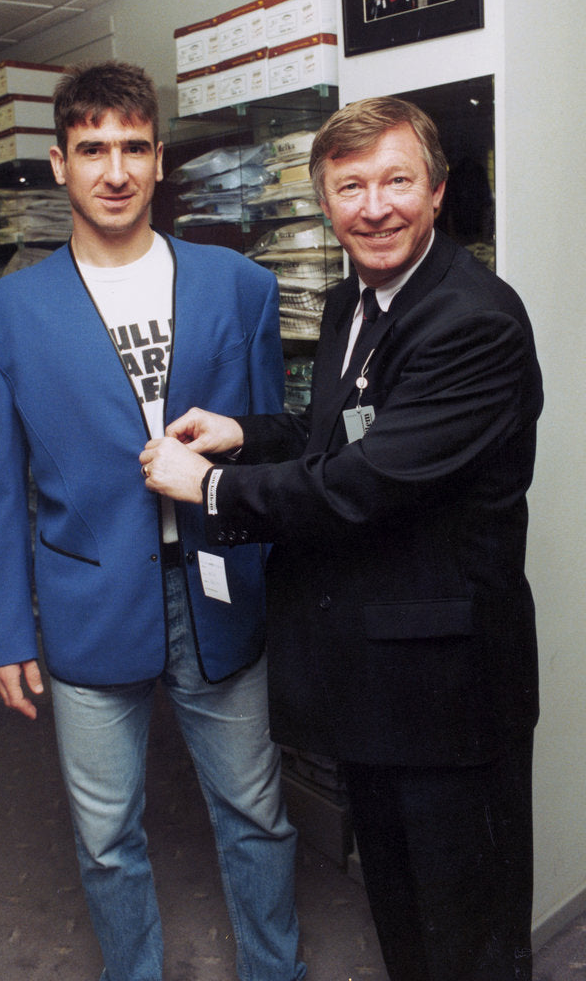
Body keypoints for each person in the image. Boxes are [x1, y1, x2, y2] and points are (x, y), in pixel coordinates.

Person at [140, 95, 543, 981]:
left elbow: (368, 482)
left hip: (449, 695)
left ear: (437, 191)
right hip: (373, 681)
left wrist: (209, 487)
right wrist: (244, 434)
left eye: (397, 181)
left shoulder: (472, 319)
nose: (375, 207)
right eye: (351, 187)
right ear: (324, 202)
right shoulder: (351, 302)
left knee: (469, 934)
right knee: (401, 913)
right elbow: (340, 434)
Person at [0, 60, 304, 981]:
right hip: (89, 599)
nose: (115, 171)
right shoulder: (0, 321)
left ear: (159, 161)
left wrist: (282, 582)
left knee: (257, 813)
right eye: (92, 150)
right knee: (108, 836)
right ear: (59, 164)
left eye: (134, 148)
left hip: (219, 587)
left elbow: (269, 445)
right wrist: (6, 630)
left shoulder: (240, 287)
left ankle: (276, 969)